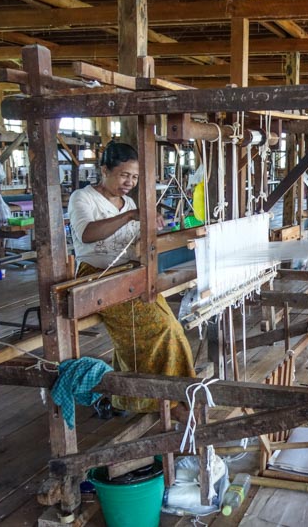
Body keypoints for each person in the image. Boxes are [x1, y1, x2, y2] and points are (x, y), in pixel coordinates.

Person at [68, 142, 195, 419]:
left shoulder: (130, 202)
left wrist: (161, 230)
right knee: (158, 329)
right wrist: (129, 216)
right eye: (124, 175)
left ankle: (171, 394)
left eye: (135, 177)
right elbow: (87, 234)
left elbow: (136, 241)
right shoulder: (83, 198)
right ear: (104, 170)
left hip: (130, 276)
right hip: (96, 278)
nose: (130, 182)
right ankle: (162, 400)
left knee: (172, 326)